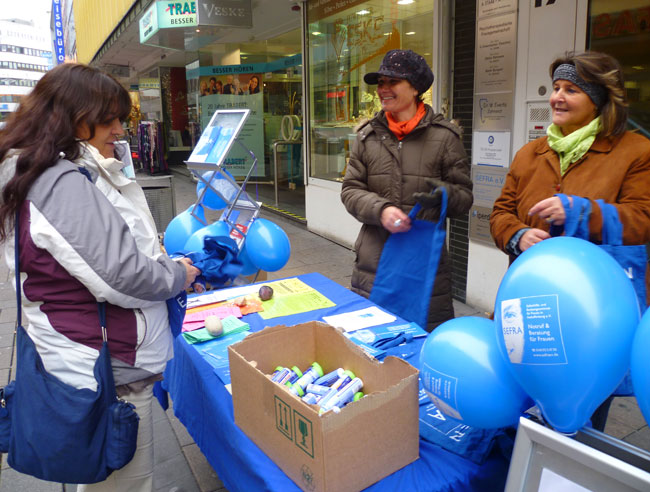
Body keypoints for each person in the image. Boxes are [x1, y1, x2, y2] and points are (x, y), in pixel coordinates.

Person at [0, 63, 200, 490]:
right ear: (72, 118)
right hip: (103, 365)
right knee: (124, 478)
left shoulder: (32, 170)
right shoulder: (58, 181)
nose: (118, 130)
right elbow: (121, 274)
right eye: (107, 119)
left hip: (74, 351)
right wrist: (177, 275)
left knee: (98, 474)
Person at [490, 50, 650, 431]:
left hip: (591, 314)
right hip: (529, 303)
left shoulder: (636, 153)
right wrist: (517, 235)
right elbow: (500, 213)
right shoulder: (530, 154)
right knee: (516, 402)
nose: (557, 97)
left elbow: (643, 220)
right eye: (556, 87)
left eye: (572, 90)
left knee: (581, 416)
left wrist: (580, 212)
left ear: (599, 99)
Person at [341, 49, 474, 331]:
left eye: (393, 82)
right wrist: (382, 209)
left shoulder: (445, 138)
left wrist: (444, 196)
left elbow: (465, 197)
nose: (383, 90)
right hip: (373, 266)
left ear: (415, 88)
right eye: (380, 83)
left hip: (423, 269)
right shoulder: (367, 137)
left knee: (423, 347)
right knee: (371, 346)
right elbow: (350, 190)